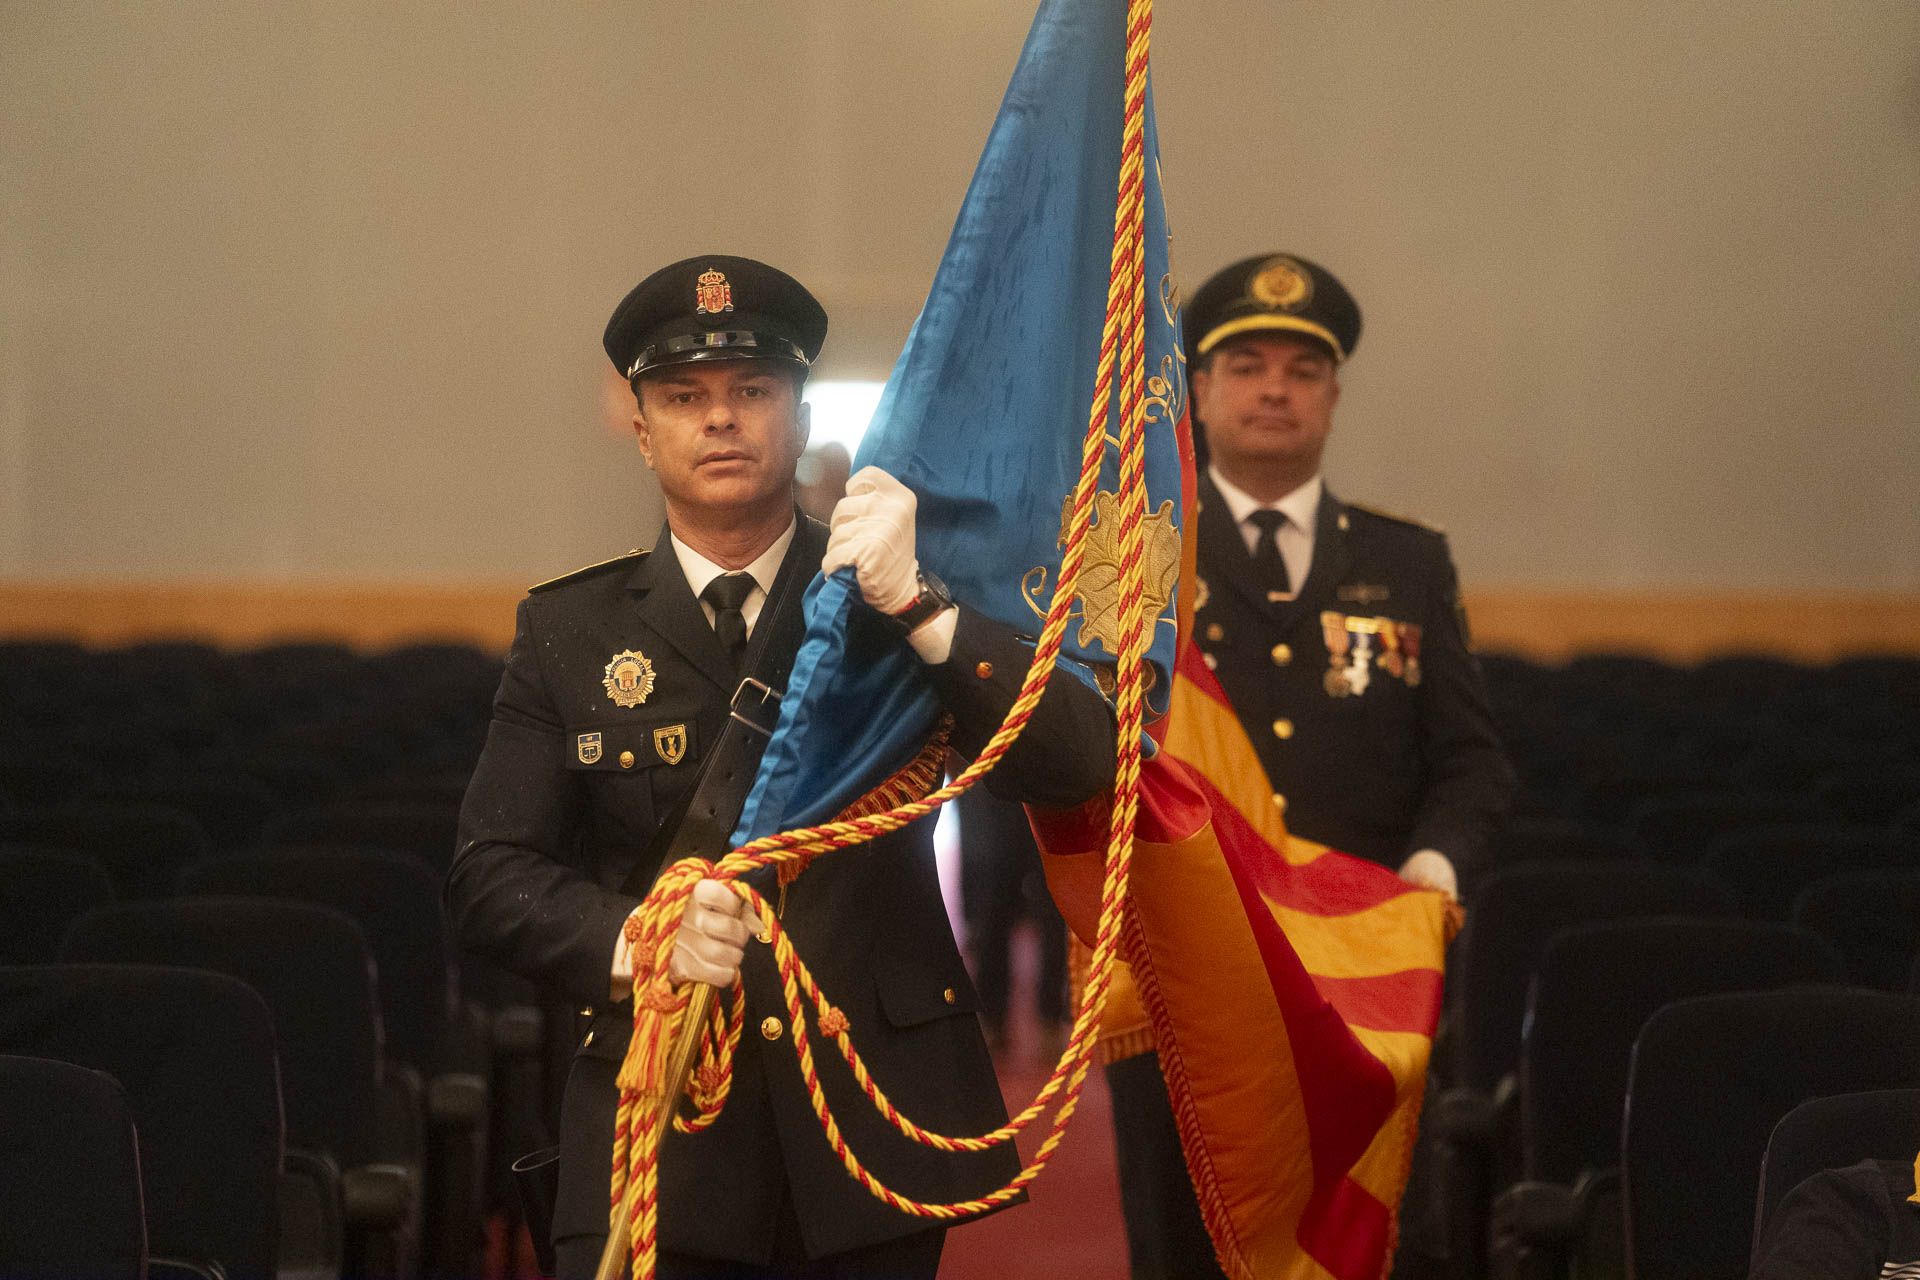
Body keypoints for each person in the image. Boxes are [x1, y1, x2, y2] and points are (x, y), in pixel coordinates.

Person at [446, 255, 1116, 1279]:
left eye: (752, 391)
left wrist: (922, 608)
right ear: (641, 430)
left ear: (798, 420)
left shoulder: (887, 595)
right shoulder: (568, 630)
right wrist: (639, 935)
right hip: (665, 1119)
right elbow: (490, 874)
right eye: (684, 397)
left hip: (866, 1114)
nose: (721, 419)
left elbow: (1079, 763)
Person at [1103, 252, 1513, 1279]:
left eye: (1301, 367)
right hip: (1193, 971)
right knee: (1184, 1247)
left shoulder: (1409, 562)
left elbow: (1470, 759)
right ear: (1198, 390)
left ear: (1333, 394)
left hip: (1361, 979)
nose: (1274, 387)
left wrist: (1435, 866)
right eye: (1246, 364)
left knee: (1366, 1244)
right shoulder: (1139, 555)